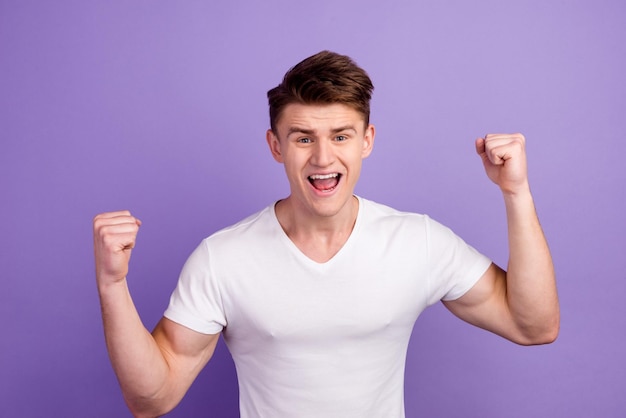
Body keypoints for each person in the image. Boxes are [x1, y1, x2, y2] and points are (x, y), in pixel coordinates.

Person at [93, 50, 559, 417]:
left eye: (340, 136)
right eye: (302, 138)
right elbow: (151, 399)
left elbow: (533, 325)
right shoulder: (223, 257)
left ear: (367, 141)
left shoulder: (417, 242)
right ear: (276, 145)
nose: (322, 158)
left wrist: (516, 193)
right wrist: (112, 285)